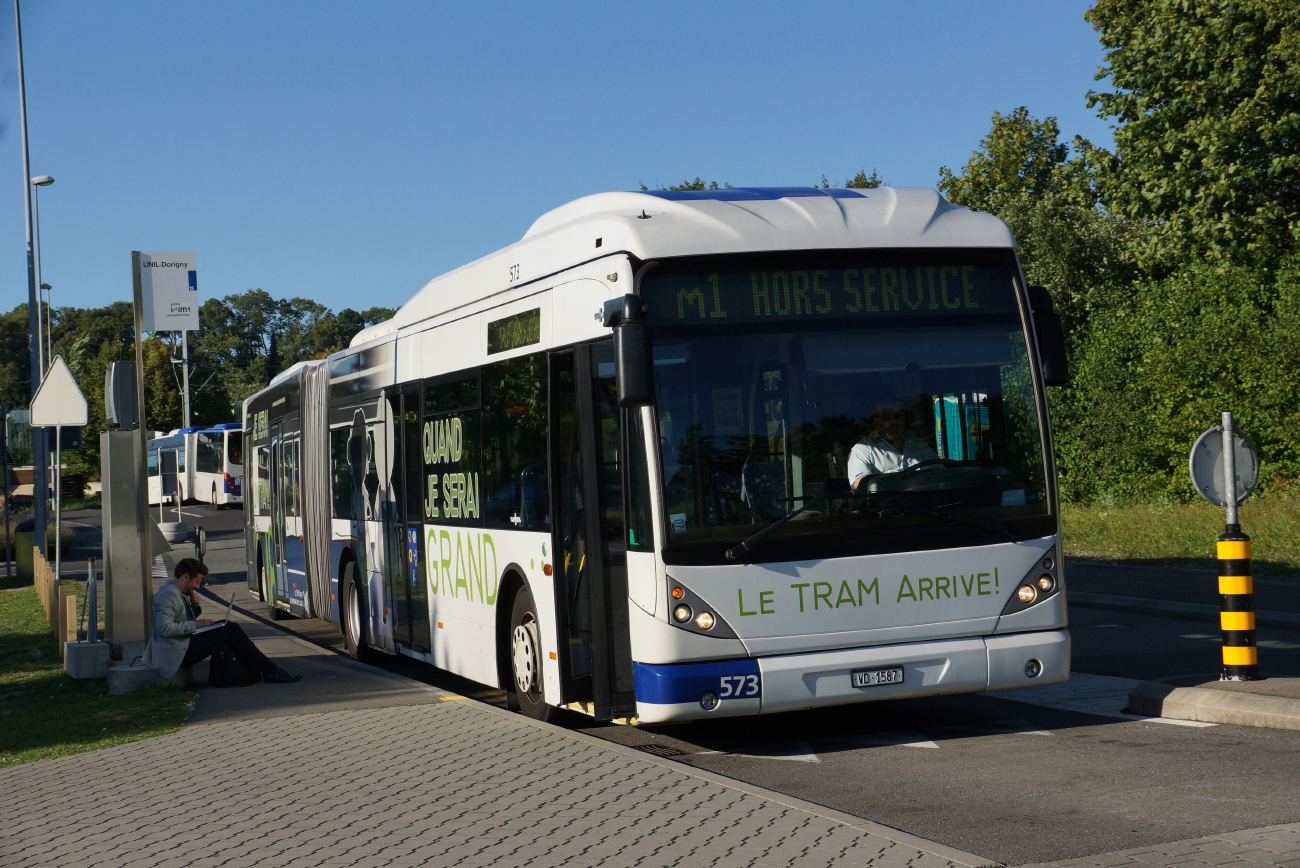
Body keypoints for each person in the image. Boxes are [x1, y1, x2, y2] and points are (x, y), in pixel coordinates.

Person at [143, 557, 300, 683]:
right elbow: (163, 629)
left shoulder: (175, 592)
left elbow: (178, 620)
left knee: (227, 627)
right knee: (229, 630)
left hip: (182, 643)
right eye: (197, 582)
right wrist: (195, 624)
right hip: (175, 651)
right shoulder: (167, 595)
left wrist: (195, 608)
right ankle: (270, 670)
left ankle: (260, 671)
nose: (198, 587)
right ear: (185, 577)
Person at [847, 406, 939, 490]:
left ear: (903, 418)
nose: (893, 421)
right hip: (886, 506)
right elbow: (859, 484)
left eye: (897, 416)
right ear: (877, 421)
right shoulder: (863, 449)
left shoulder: (918, 442)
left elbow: (941, 474)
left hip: (927, 504)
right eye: (885, 417)